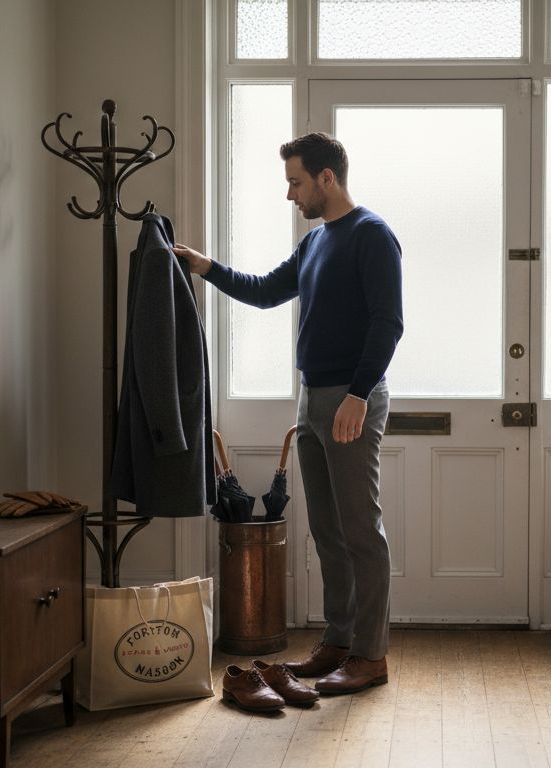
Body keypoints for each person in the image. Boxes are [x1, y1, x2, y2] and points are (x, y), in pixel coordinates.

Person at [173, 132, 403, 694]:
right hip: (312, 399)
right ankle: (339, 641)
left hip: (352, 400)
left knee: (360, 532)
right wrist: (207, 268)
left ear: (328, 178)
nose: (290, 194)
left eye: (295, 182)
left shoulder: (372, 236)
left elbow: (387, 323)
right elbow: (268, 290)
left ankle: (371, 657)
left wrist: (356, 395)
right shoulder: (316, 242)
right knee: (326, 531)